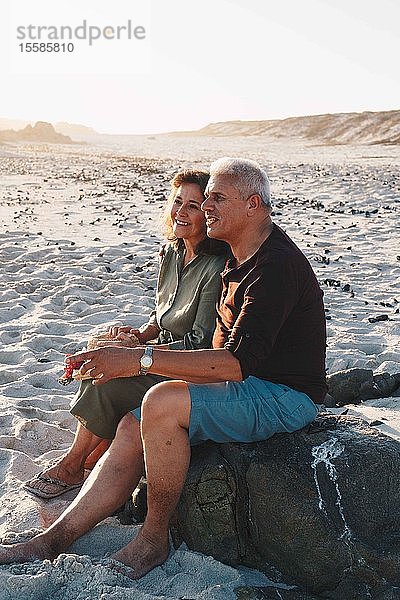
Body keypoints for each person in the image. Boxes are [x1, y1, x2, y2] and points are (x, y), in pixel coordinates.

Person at [0, 157, 326, 578]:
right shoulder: (239, 255)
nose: (206, 206)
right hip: (247, 385)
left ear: (253, 205)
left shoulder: (275, 266)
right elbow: (217, 347)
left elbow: (236, 364)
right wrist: (138, 348)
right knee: (132, 424)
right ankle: (55, 539)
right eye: (205, 197)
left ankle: (154, 539)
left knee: (162, 400)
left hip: (284, 396)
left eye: (217, 198)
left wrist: (140, 360)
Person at [24, 169, 228, 499]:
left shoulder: (215, 267)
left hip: (186, 367)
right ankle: (92, 454)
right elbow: (162, 315)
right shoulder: (172, 252)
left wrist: (136, 357)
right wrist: (137, 336)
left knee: (107, 378)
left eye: (193, 205)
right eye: (178, 202)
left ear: (207, 214)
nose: (181, 212)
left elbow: (199, 343)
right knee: (98, 353)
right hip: (158, 348)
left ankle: (73, 464)